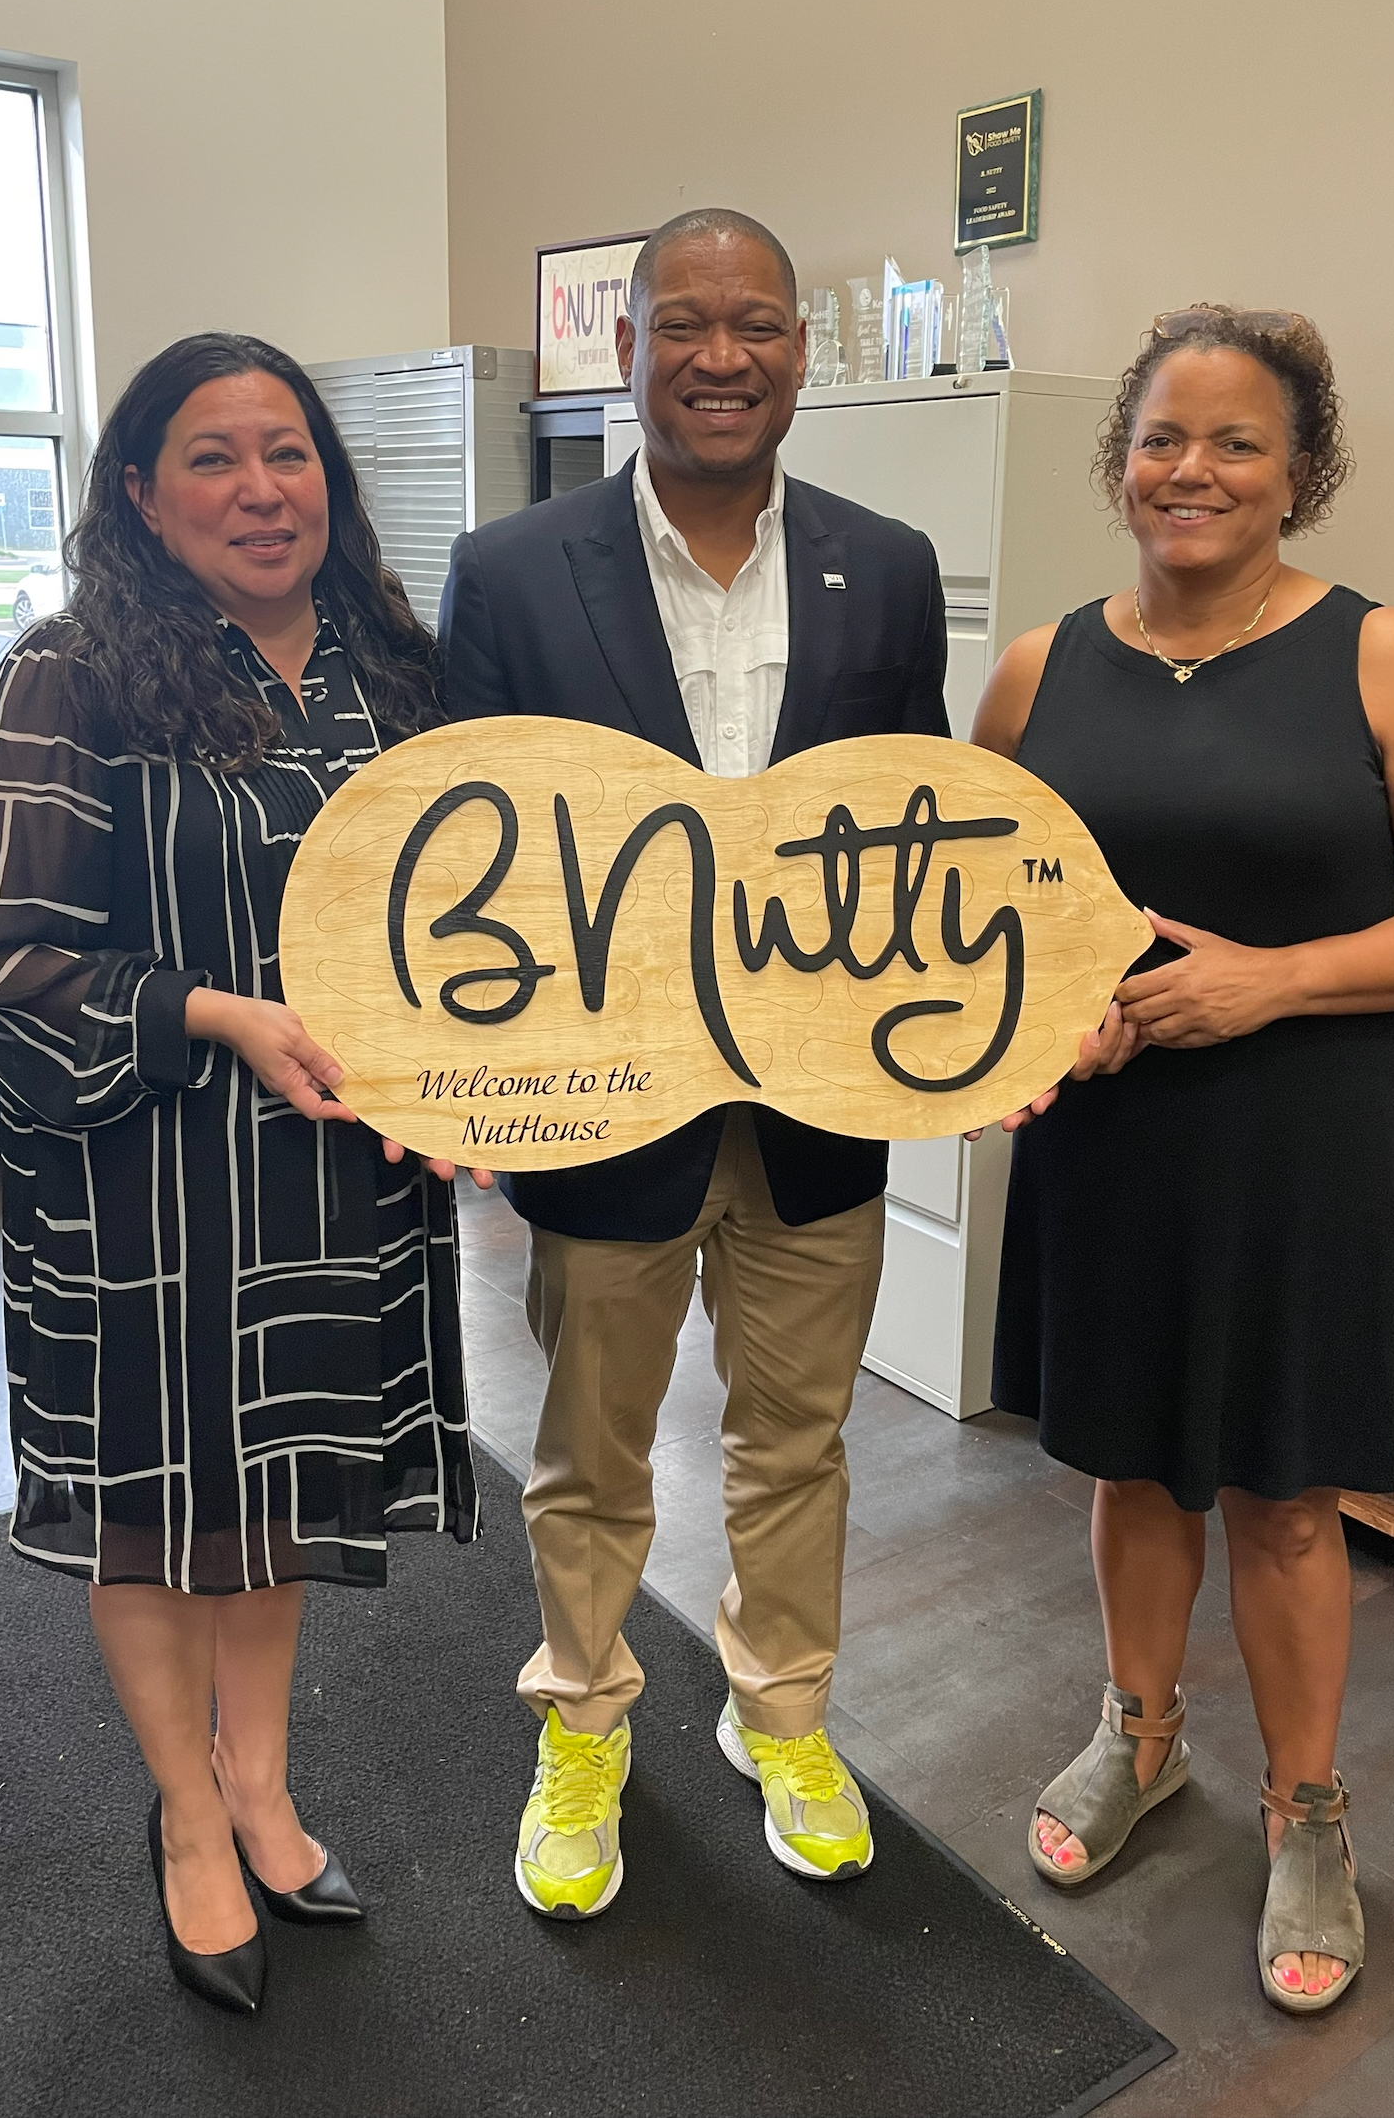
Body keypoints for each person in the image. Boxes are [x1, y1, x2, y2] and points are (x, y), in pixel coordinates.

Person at [971, 306, 1394, 2014]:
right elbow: (984, 906)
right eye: (1163, 437)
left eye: (1237, 444)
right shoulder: (1037, 666)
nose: (1192, 470)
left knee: (1288, 1496)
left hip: (1305, 1136)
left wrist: (1266, 981)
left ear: (1302, 476)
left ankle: (1311, 1814)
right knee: (1131, 1465)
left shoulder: (1385, 655)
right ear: (1118, 459)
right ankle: (1139, 1737)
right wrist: (1045, 1020)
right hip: (1119, 1132)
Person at [0, 333, 487, 2015]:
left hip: (331, 1175)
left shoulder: (395, 670)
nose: (263, 489)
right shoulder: (69, 672)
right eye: (214, 458)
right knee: (160, 1511)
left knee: (272, 1498)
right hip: (147, 1179)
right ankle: (187, 1814)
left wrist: (481, 1079)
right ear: (138, 493)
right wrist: (213, 1013)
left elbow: (467, 927)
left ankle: (262, 1782)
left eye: (290, 452)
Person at [438, 207, 950, 1917]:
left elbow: (918, 840)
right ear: (629, 347)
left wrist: (979, 1035)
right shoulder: (512, 571)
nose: (723, 357)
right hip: (610, 1109)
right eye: (686, 325)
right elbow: (464, 853)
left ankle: (780, 1712)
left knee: (795, 1442)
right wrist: (463, 1088)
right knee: (592, 1452)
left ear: (803, 349)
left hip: (819, 1107)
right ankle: (581, 1723)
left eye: (758, 326)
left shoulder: (883, 565)